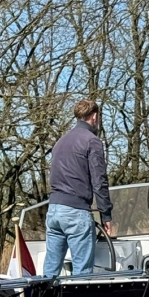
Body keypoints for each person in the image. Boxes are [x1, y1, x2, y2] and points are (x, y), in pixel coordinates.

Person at [43, 99, 113, 276]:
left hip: (53, 211)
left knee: (50, 272)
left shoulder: (60, 142)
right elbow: (99, 181)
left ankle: (43, 294)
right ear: (94, 117)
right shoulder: (92, 141)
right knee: (82, 275)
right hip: (75, 212)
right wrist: (106, 214)